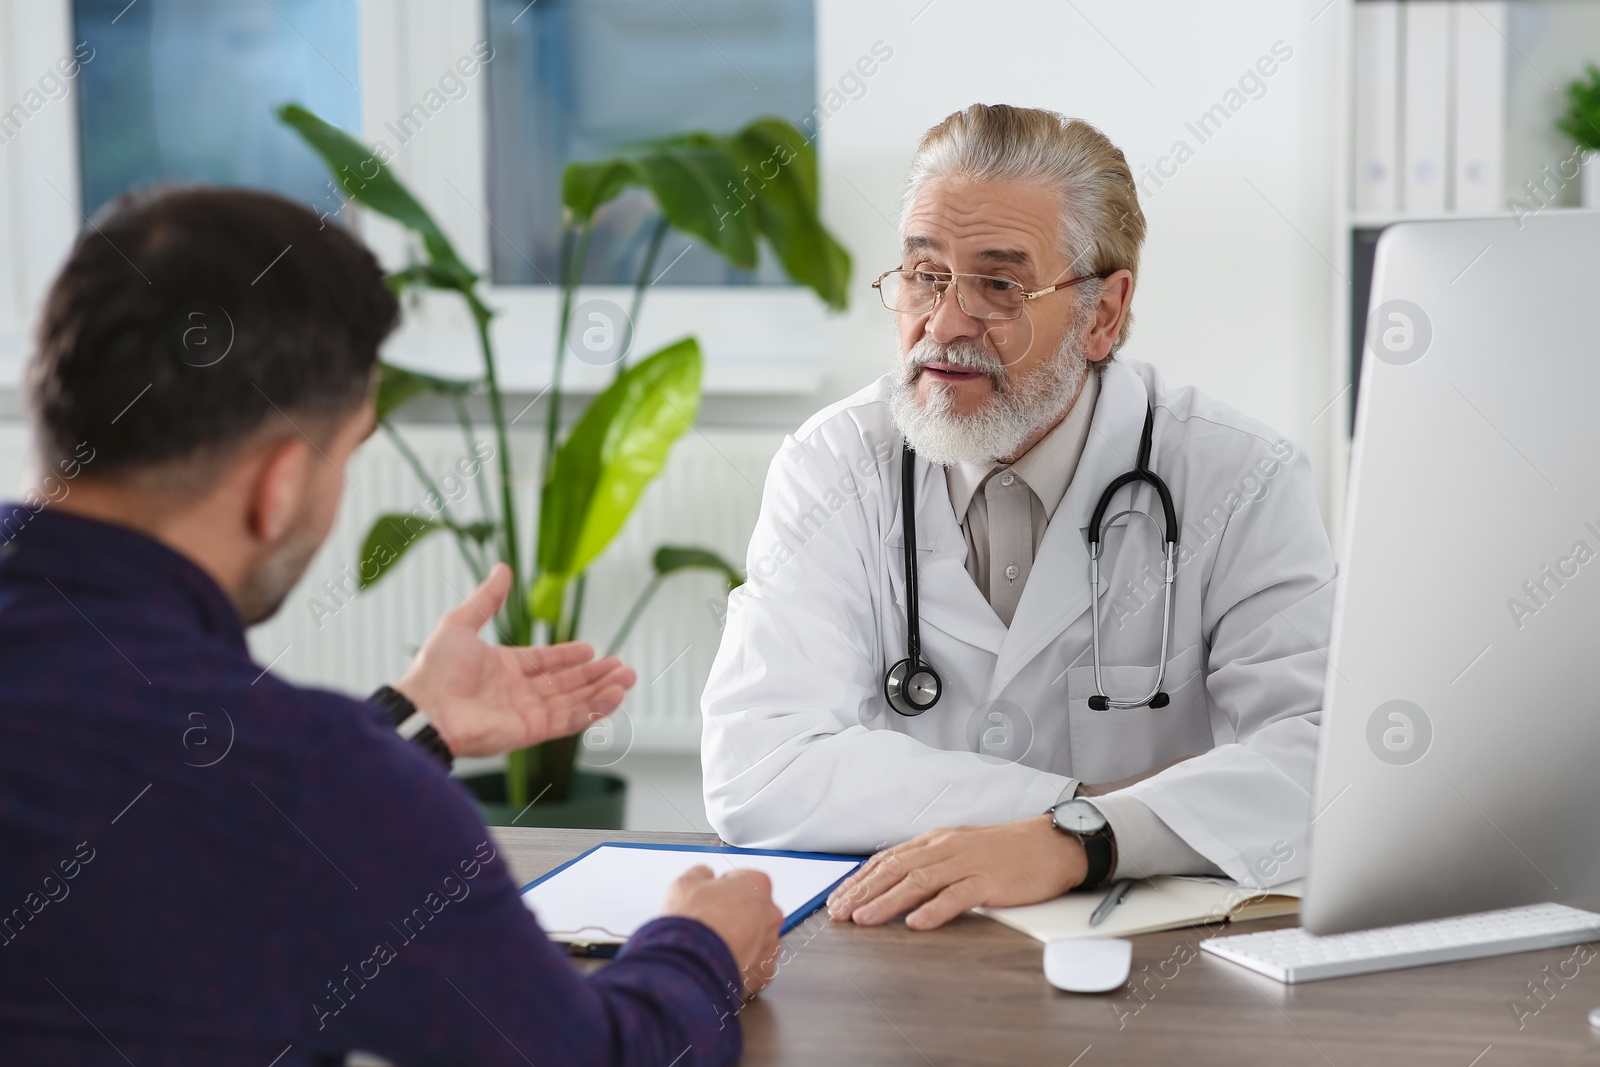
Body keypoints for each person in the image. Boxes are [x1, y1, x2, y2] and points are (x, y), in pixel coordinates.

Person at [0, 186, 782, 1066]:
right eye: (352, 447)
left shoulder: (290, 778)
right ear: (281, 483)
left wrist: (408, 720)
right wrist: (702, 944)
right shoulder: (309, 779)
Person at [701, 104, 1335, 931]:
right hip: (901, 957)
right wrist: (1068, 810)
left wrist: (1080, 843)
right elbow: (759, 763)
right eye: (925, 275)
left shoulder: (1241, 477)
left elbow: (1323, 760)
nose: (945, 324)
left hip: (1157, 976)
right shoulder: (832, 466)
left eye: (998, 285)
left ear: (1102, 314)